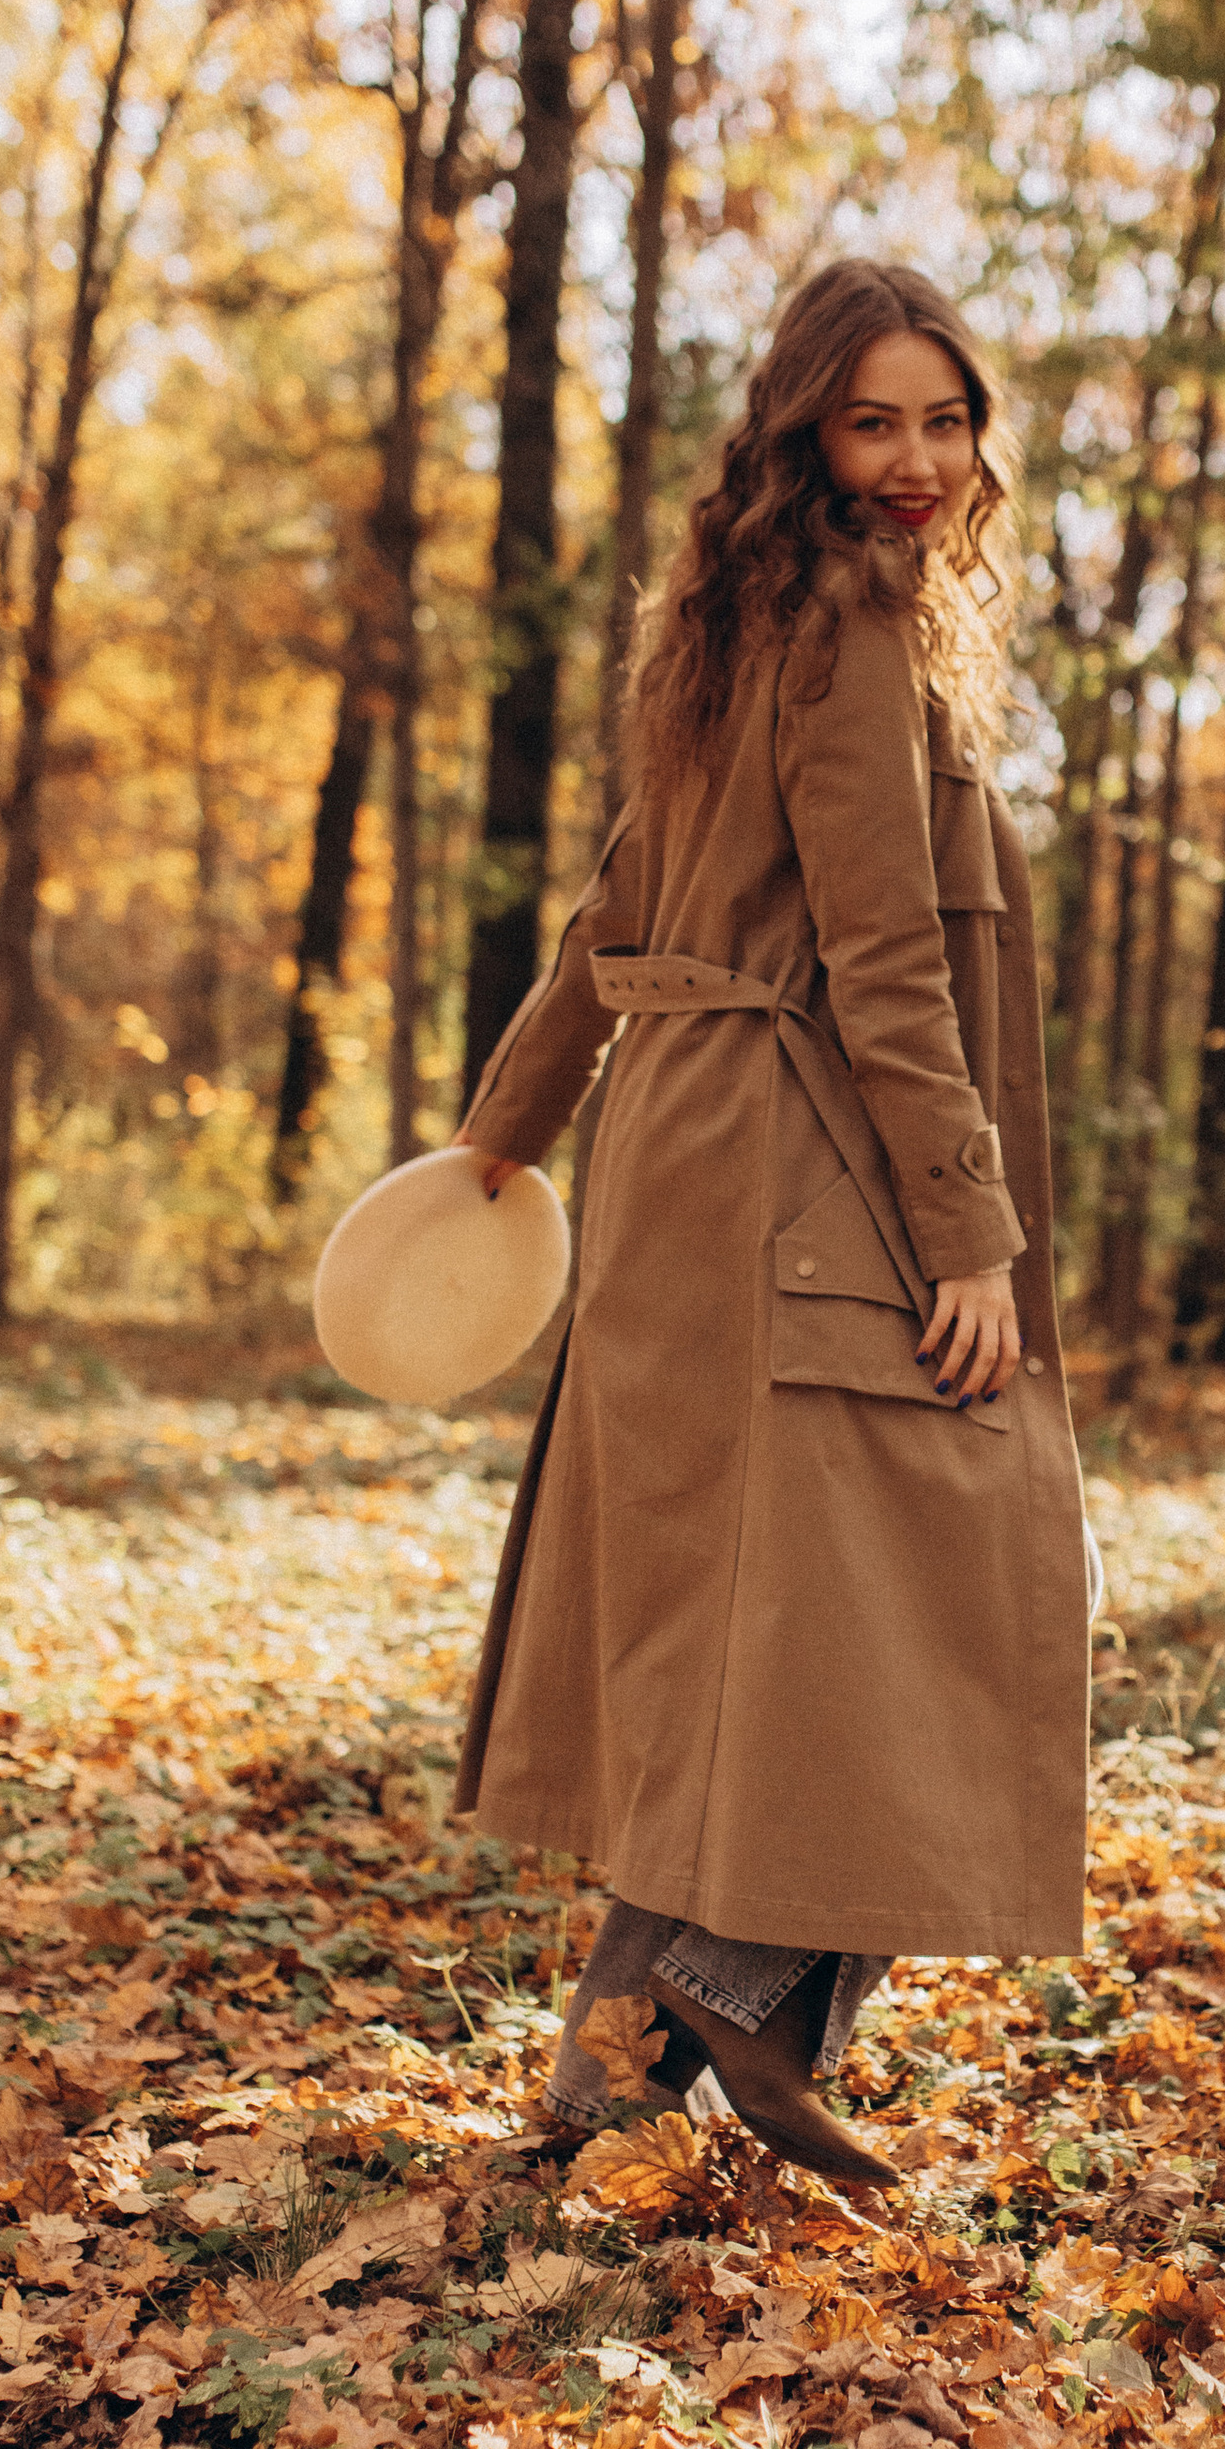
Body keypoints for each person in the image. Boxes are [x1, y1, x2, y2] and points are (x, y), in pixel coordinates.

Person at [452, 260, 1089, 2190]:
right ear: (801, 432)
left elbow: (611, 911)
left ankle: (611, 2074)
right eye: (870, 420)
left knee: (746, 1621)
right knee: (942, 1587)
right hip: (806, 1172)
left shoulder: (729, 622)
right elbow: (887, 962)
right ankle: (735, 1982)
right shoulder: (844, 631)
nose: (913, 461)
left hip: (688, 1162)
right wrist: (967, 1238)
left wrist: (516, 1122)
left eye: (943, 419)